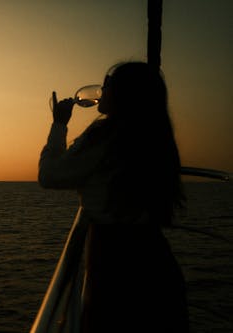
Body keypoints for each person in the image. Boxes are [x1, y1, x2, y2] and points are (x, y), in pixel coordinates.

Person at [38, 62, 189, 332]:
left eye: (107, 84)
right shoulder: (155, 138)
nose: (102, 90)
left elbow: (51, 176)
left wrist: (59, 124)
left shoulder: (105, 137)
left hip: (116, 267)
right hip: (155, 263)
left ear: (122, 94)